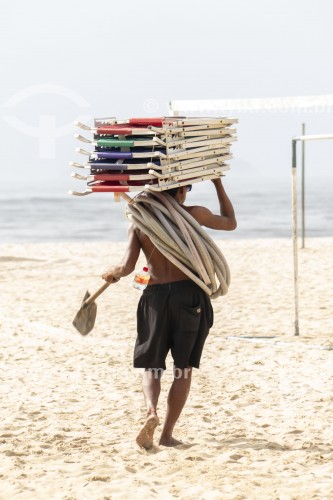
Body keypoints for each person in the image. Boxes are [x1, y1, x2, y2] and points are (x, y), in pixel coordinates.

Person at [102, 178, 236, 449]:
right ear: (180, 189)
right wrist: (219, 183)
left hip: (155, 297)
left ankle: (151, 411)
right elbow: (230, 222)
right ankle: (166, 435)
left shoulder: (140, 222)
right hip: (189, 295)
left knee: (151, 366)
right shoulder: (192, 214)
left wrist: (112, 272)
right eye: (186, 188)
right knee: (183, 369)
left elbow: (127, 267)